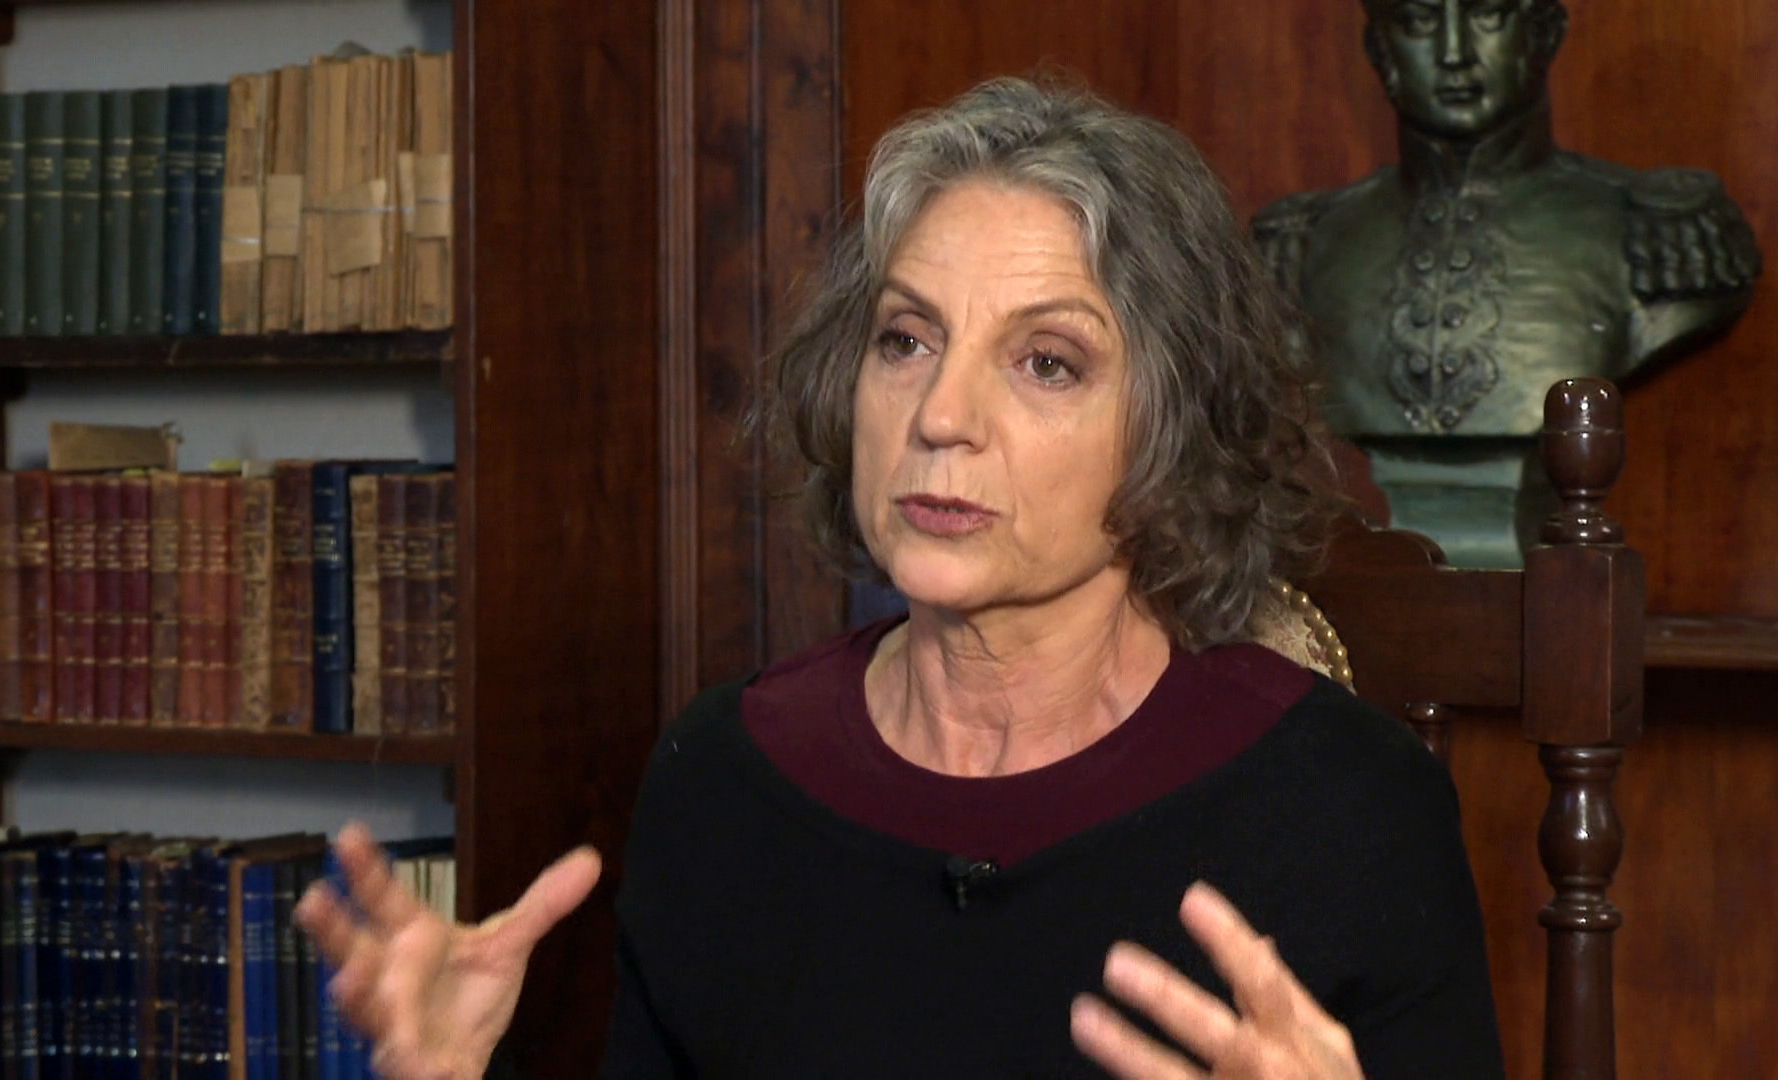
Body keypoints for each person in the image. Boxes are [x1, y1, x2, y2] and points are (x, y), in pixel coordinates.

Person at [298, 76, 1504, 1079]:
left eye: (1046, 362)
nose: (940, 414)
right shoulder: (723, 779)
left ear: (1170, 430)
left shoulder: (1348, 808)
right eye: (906, 339)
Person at [1252, 0, 1758, 565]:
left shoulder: (1655, 232)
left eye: (1488, 14)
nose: (1454, 54)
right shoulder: (1305, 244)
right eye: (1420, 20)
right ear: (1379, 50)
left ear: (1545, 34)